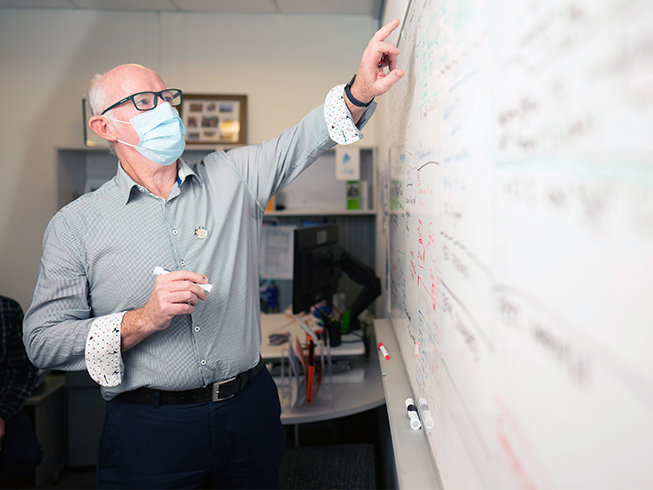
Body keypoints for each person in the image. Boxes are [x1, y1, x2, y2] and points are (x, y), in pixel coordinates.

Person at [23, 18, 404, 489]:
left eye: (167, 98)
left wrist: (361, 89)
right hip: (149, 430)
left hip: (248, 413)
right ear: (104, 126)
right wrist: (141, 319)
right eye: (145, 101)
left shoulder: (232, 176)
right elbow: (41, 340)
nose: (164, 108)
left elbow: (303, 140)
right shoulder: (75, 224)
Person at [0, 295, 42, 487]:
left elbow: (21, 371)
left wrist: (2, 415)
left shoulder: (7, 309)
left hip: (3, 404)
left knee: (26, 455)